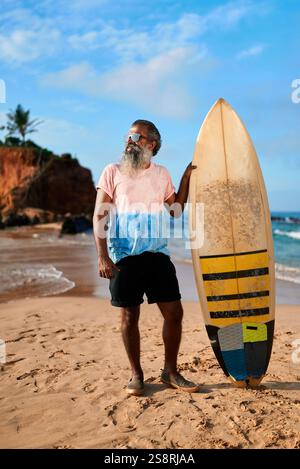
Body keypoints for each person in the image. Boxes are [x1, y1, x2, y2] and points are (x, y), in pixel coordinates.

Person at [93, 119, 200, 396]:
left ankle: (170, 371)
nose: (130, 140)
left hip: (157, 254)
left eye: (136, 136)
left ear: (151, 144)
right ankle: (136, 374)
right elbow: (100, 215)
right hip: (124, 256)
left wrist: (186, 178)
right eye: (128, 135)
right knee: (130, 316)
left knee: (174, 313)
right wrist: (102, 257)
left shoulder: (162, 173)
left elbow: (175, 211)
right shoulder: (112, 172)